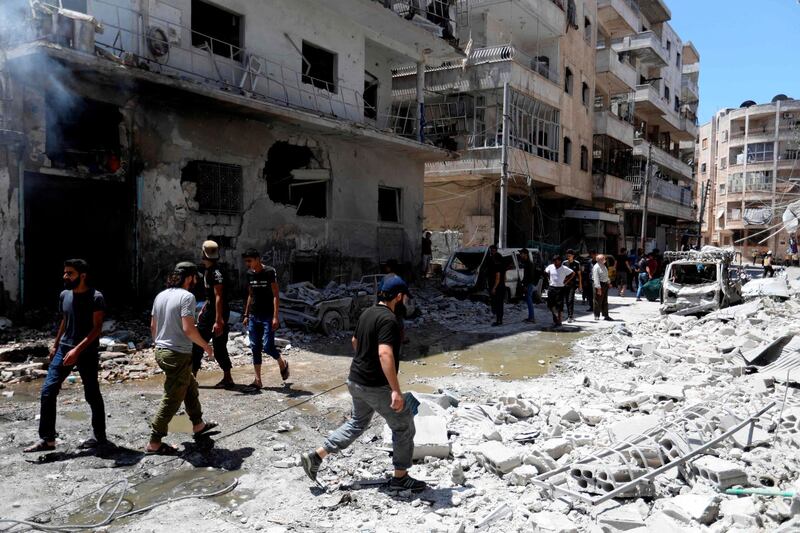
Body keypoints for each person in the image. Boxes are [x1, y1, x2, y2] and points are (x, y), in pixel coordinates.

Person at [299, 276, 427, 492]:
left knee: (357, 423)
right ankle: (400, 478)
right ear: (398, 296)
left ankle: (316, 456)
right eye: (403, 297)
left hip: (356, 380)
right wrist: (395, 390)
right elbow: (385, 353)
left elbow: (354, 342)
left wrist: (365, 361)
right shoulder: (390, 320)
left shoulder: (367, 313)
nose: (404, 301)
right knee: (403, 424)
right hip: (375, 386)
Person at [25, 259, 108, 453]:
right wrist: (55, 345)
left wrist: (77, 350)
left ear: (82, 275)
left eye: (70, 273)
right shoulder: (64, 295)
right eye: (65, 272)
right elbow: (65, 320)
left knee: (92, 393)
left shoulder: (96, 297)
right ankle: (47, 439)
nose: (65, 276)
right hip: (63, 349)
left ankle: (99, 436)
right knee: (48, 391)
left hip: (86, 351)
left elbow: (96, 329)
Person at [147, 262, 217, 455]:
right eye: (195, 277)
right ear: (189, 278)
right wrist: (205, 345)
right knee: (172, 397)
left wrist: (161, 343)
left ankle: (198, 425)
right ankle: (154, 442)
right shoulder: (187, 297)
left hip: (162, 350)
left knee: (190, 386)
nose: (196, 281)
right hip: (177, 353)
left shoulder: (160, 295)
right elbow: (188, 328)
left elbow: (153, 326)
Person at [242, 249, 290, 389]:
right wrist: (246, 314)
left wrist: (275, 316)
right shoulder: (249, 274)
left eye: (250, 261)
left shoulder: (269, 271)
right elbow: (250, 294)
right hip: (253, 316)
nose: (248, 264)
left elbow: (276, 294)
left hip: (268, 316)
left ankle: (282, 363)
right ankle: (258, 380)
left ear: (257, 259)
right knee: (255, 347)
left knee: (268, 346)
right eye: (246, 261)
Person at [191, 240, 234, 388]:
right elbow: (211, 297)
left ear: (204, 253)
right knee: (212, 344)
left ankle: (193, 377)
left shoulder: (216, 272)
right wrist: (205, 307)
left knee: (202, 343)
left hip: (216, 313)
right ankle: (226, 378)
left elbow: (219, 296)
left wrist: (218, 320)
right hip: (211, 310)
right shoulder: (208, 270)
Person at [544, 255, 574, 327]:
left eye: (556, 261)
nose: (555, 262)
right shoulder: (551, 266)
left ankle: (559, 321)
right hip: (551, 287)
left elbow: (573, 273)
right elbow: (545, 271)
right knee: (550, 305)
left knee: (559, 305)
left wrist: (566, 281)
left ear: (560, 261)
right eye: (554, 261)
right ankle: (555, 317)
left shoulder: (564, 268)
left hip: (560, 288)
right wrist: (548, 279)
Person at [487, 245, 506, 327]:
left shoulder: (497, 265)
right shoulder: (502, 265)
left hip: (497, 287)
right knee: (500, 304)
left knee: (497, 304)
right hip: (502, 286)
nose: (491, 255)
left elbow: (498, 278)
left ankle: (498, 321)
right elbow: (504, 277)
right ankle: (500, 320)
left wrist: (494, 288)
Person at [518, 248, 538, 323]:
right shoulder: (526, 263)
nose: (520, 255)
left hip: (529, 284)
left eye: (521, 253)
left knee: (529, 301)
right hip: (528, 283)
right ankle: (530, 317)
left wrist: (525, 285)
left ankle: (532, 318)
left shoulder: (529, 263)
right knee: (528, 300)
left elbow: (530, 276)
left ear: (525, 254)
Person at [592, 254, 612, 321]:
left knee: (604, 301)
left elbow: (606, 275)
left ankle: (606, 315)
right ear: (600, 260)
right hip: (599, 284)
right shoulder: (596, 267)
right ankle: (596, 315)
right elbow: (596, 278)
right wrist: (598, 288)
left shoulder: (603, 266)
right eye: (603, 258)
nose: (605, 259)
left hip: (604, 284)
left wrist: (608, 282)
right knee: (597, 301)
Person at [564, 249, 582, 323]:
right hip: (565, 284)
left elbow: (579, 275)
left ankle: (570, 316)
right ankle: (570, 315)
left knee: (570, 300)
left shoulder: (577, 263)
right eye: (567, 255)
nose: (568, 257)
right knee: (567, 301)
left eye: (570, 256)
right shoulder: (564, 263)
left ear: (573, 256)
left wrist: (580, 285)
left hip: (573, 285)